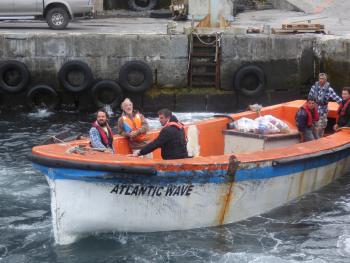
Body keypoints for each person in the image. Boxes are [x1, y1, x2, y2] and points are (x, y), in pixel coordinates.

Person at [308, 73, 342, 138]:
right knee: (314, 126)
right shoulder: (313, 87)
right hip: (314, 110)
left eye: (323, 79)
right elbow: (309, 98)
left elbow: (337, 99)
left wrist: (345, 104)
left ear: (326, 80)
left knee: (321, 126)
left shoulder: (329, 89)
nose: (321, 80)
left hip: (323, 111)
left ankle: (319, 139)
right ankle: (315, 139)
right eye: (320, 78)